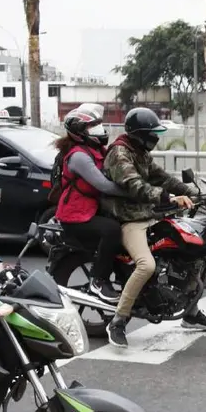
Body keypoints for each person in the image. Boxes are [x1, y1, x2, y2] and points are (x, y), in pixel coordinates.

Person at [101, 107, 206, 348]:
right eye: (151, 134)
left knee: (189, 253)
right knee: (146, 265)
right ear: (139, 134)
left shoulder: (140, 152)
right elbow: (135, 185)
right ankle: (118, 321)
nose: (155, 139)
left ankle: (190, 312)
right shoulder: (120, 153)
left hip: (148, 213)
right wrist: (169, 198)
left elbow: (164, 178)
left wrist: (200, 194)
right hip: (129, 218)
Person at [53, 103, 125, 304]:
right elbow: (104, 185)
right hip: (75, 215)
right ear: (79, 133)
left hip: (90, 210)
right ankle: (98, 280)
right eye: (92, 128)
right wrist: (135, 191)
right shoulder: (79, 156)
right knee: (111, 230)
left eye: (98, 126)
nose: (98, 131)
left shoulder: (96, 149)